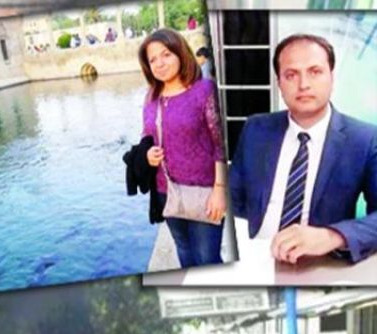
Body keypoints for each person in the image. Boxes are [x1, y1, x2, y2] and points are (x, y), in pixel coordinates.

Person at [229, 34, 377, 266]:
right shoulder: (256, 128)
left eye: (315, 71)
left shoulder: (365, 138)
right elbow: (233, 198)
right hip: (255, 255)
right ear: (279, 83)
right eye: (291, 75)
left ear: (332, 77)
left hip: (320, 263)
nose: (303, 84)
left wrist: (333, 236)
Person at [139, 28, 228, 268]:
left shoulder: (204, 90)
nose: (160, 63)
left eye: (166, 54)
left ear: (180, 52)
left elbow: (221, 143)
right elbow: (146, 137)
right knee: (185, 254)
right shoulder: (151, 97)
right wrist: (148, 154)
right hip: (165, 190)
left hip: (204, 190)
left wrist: (219, 190)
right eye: (153, 59)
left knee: (207, 258)